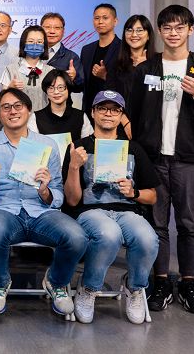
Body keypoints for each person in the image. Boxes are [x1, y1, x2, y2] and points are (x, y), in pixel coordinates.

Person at [129, 5, 194, 315]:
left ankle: (188, 283)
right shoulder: (145, 69)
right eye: (167, 27)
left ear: (190, 30)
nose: (173, 33)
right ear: (159, 31)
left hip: (188, 158)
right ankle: (161, 282)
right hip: (153, 160)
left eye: (179, 27)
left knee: (188, 224)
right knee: (157, 224)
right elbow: (134, 114)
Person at [0, 88, 86, 317]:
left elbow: (58, 195)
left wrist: (45, 191)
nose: (12, 111)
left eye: (18, 106)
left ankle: (56, 282)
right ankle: (0, 284)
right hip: (4, 211)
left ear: (29, 110)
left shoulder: (47, 145)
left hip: (42, 212)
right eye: (6, 107)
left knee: (77, 236)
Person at [63, 90, 159, 325]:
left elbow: (152, 196)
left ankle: (134, 287)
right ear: (93, 112)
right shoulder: (78, 147)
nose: (108, 114)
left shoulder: (133, 149)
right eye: (103, 108)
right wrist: (74, 167)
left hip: (128, 211)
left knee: (147, 238)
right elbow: (72, 200)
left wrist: (134, 193)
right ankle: (89, 287)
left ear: (121, 115)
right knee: (109, 234)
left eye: (115, 110)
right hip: (90, 212)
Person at [0, 25, 54, 111]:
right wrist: (10, 88)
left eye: (39, 42)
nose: (35, 45)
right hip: (17, 117)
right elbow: (1, 100)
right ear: (23, 44)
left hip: (43, 117)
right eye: (31, 41)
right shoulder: (10, 69)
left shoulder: (51, 71)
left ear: (44, 45)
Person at [28, 70, 93, 140]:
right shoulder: (36, 118)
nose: (56, 92)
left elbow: (89, 143)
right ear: (46, 91)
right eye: (51, 88)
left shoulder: (80, 116)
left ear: (68, 89)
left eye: (60, 87)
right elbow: (32, 145)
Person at [80, 4, 121, 111]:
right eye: (97, 18)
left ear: (115, 21)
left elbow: (128, 84)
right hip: (89, 110)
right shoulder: (86, 50)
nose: (100, 22)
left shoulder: (123, 49)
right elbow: (82, 84)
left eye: (105, 18)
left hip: (113, 110)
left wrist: (105, 76)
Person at [108, 15, 154, 104]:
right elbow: (110, 95)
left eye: (139, 30)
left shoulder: (157, 62)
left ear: (148, 35)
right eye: (129, 30)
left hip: (148, 112)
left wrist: (144, 68)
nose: (134, 35)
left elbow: (155, 93)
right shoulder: (116, 63)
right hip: (121, 111)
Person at [40, 12, 83, 89]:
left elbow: (81, 87)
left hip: (58, 96)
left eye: (57, 28)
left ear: (63, 31)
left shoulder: (71, 57)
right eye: (47, 27)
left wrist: (74, 78)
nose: (52, 31)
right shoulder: (30, 53)